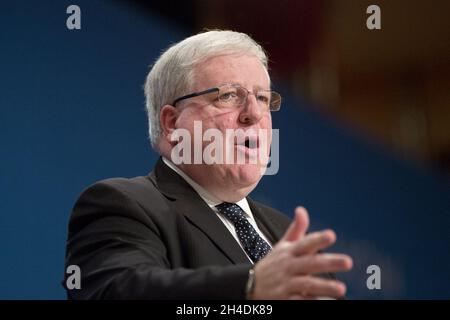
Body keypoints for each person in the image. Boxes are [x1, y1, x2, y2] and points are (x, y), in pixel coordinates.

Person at [64, 30, 353, 300]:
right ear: (172, 123)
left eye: (263, 98)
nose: (253, 113)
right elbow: (120, 292)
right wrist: (250, 285)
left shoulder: (284, 232)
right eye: (228, 96)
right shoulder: (125, 205)